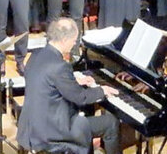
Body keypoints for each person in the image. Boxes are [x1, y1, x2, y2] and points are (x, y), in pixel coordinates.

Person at [16, 18, 121, 154]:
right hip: (52, 132)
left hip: (32, 125)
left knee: (85, 112)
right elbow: (81, 97)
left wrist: (72, 81)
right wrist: (102, 90)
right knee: (111, 123)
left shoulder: (36, 55)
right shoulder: (60, 66)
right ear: (64, 40)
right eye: (74, 40)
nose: (74, 44)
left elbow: (47, 82)